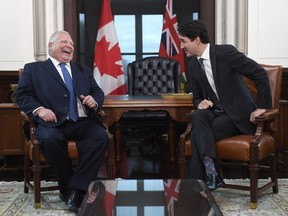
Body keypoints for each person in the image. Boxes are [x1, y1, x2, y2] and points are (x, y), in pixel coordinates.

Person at [16, 30, 109, 212]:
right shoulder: (33, 69)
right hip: (51, 123)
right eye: (64, 42)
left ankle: (74, 189)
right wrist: (39, 110)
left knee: (100, 136)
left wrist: (94, 100)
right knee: (50, 139)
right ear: (51, 46)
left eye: (72, 44)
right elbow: (22, 95)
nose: (70, 46)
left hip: (82, 121)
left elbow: (97, 92)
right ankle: (72, 190)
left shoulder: (83, 70)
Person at [177, 20, 272, 190]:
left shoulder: (225, 53)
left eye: (184, 41)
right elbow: (196, 97)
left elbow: (260, 74)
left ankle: (195, 184)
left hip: (239, 115)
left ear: (197, 40)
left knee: (197, 135)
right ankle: (211, 173)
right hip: (217, 112)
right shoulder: (192, 65)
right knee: (198, 115)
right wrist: (200, 103)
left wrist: (263, 106)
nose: (182, 46)